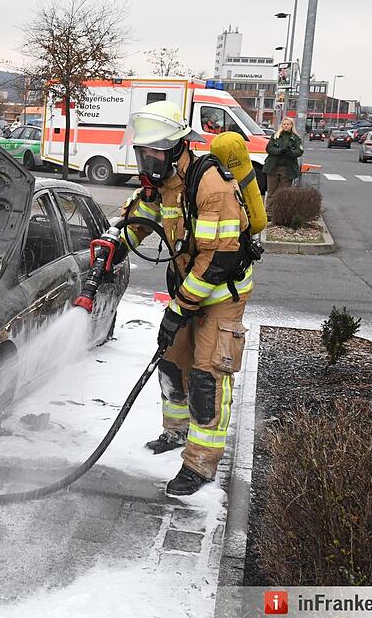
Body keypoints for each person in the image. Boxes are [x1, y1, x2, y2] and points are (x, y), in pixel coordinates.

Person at [103, 100, 256, 496]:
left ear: (177, 148)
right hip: (188, 288)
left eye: (154, 152)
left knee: (207, 376)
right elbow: (141, 218)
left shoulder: (212, 186)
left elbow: (218, 259)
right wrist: (116, 247)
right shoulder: (164, 183)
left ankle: (199, 464)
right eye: (143, 152)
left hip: (220, 293)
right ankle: (176, 432)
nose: (148, 160)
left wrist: (179, 308)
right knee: (172, 362)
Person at [264, 117, 303, 203]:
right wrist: (280, 151)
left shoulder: (296, 138)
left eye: (288, 124)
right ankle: (269, 210)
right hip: (273, 167)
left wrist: (290, 153)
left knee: (285, 193)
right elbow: (269, 148)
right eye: (284, 124)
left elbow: (300, 151)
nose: (286, 126)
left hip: (287, 169)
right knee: (271, 191)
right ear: (281, 125)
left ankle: (282, 209)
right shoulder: (275, 136)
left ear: (292, 125)